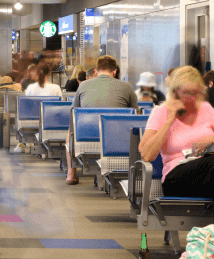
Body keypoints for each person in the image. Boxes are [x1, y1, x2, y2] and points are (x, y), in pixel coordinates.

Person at [139, 66, 214, 198]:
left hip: (207, 175)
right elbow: (147, 155)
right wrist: (169, 120)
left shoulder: (206, 109)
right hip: (176, 177)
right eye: (186, 92)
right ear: (175, 92)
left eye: (195, 93)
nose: (191, 98)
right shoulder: (161, 112)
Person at [65, 55, 138, 185]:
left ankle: (71, 174)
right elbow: (135, 115)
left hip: (86, 136)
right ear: (114, 71)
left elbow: (73, 114)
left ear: (96, 70)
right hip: (117, 138)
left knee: (70, 131)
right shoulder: (127, 87)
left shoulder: (83, 86)